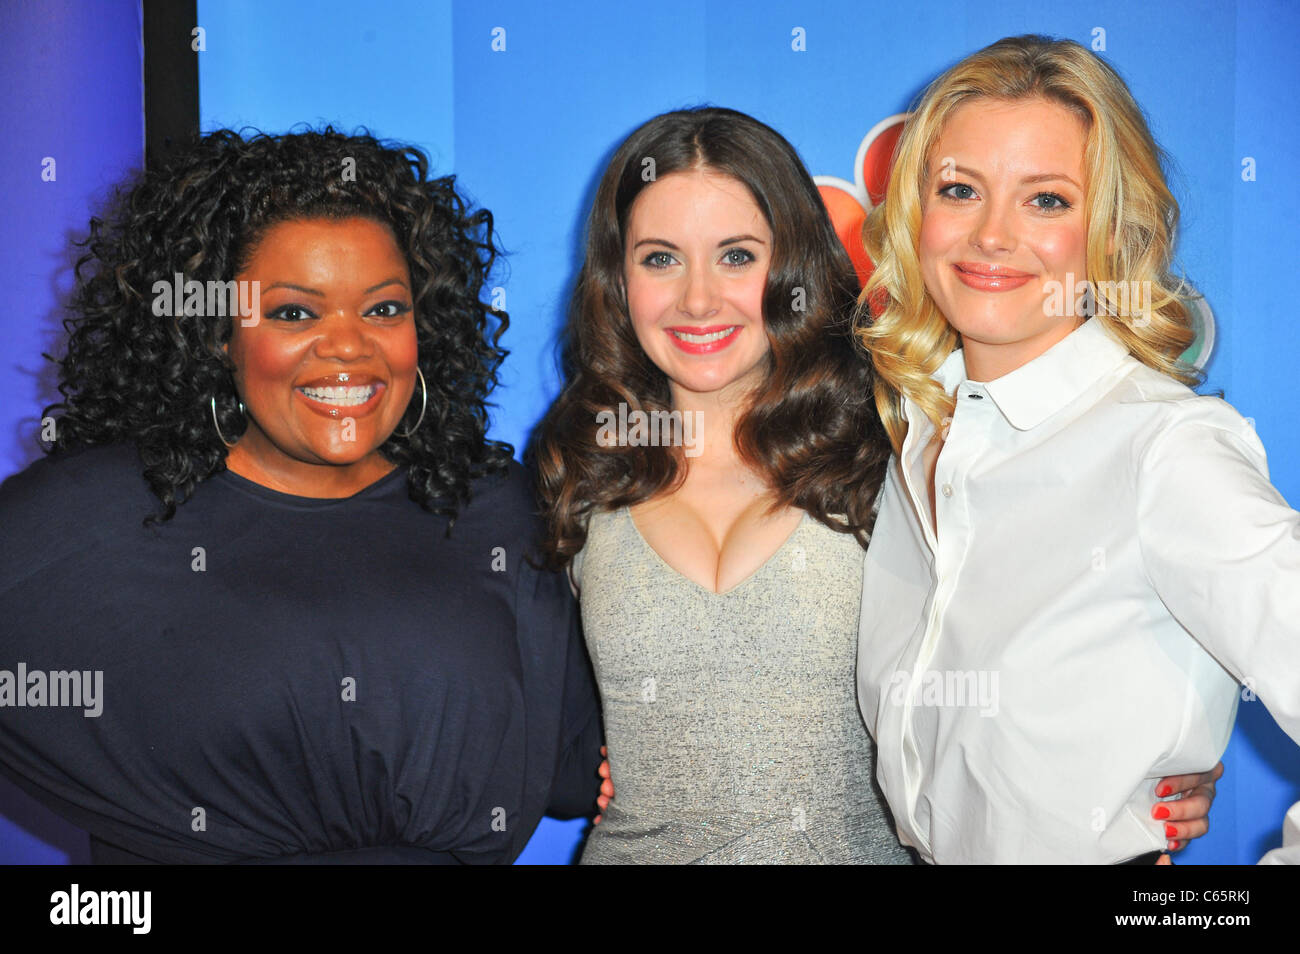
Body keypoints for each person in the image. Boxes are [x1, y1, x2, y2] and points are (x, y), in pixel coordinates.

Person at [533, 106, 1213, 863]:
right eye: (660, 258)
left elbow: (1044, 638)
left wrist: (1132, 770)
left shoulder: (900, 448)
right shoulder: (580, 468)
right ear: (617, 278)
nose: (698, 299)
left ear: (792, 268)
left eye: (736, 257)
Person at [0, 128, 603, 864]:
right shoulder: (96, 515)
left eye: (383, 309)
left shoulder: (496, 509)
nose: (348, 347)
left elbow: (579, 766)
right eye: (295, 313)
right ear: (220, 333)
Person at [855, 34, 1297, 864]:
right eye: (960, 190)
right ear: (916, 216)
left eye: (1046, 200)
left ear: (1109, 229)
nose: (992, 235)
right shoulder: (915, 440)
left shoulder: (1165, 449)